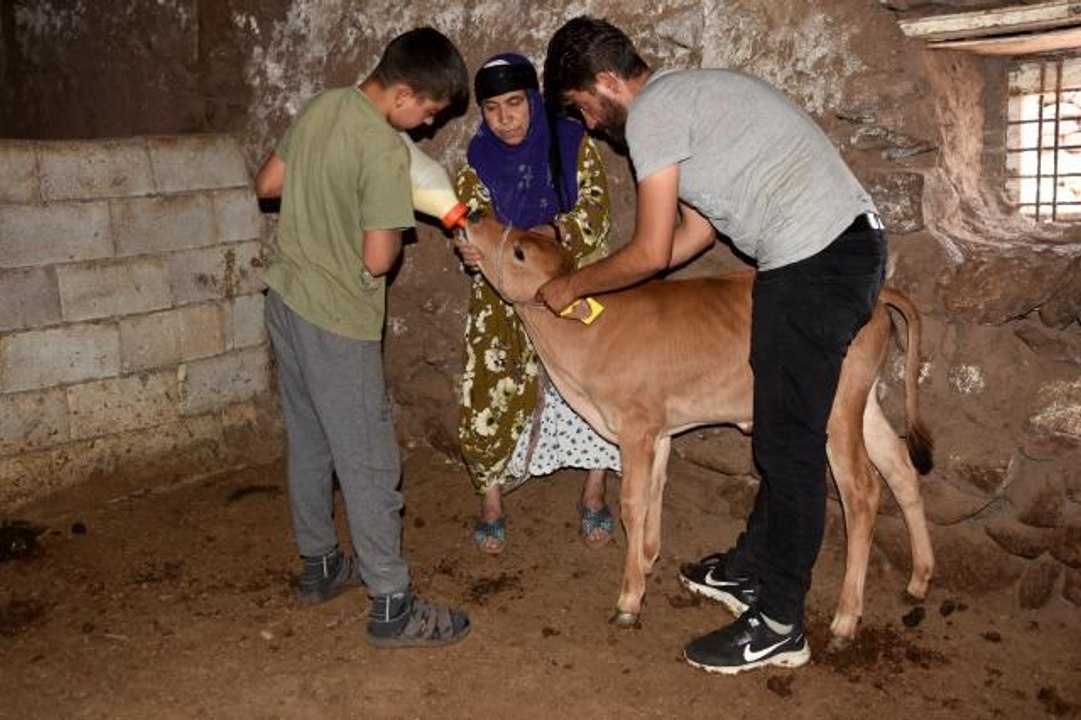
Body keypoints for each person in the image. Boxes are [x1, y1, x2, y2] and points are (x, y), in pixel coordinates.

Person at [541, 17, 887, 674]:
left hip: (815, 259)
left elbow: (646, 251)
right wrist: (621, 302)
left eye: (582, 106)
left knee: (788, 449)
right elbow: (690, 236)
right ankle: (748, 569)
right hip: (832, 251)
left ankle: (780, 622)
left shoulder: (652, 117)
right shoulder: (688, 104)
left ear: (608, 82)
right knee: (782, 433)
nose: (586, 124)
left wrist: (572, 285)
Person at [253, 27, 471, 649]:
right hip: (336, 319)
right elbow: (378, 260)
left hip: (286, 302)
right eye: (427, 112)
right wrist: (359, 216)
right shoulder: (381, 148)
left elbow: (267, 184)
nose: (426, 128)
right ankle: (392, 605)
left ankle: (321, 565)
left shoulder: (322, 105)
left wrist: (323, 199)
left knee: (310, 439)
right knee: (369, 457)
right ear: (402, 93)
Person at [452, 53, 621, 555]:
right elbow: (470, 221)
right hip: (505, 288)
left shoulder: (570, 144)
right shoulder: (478, 162)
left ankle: (594, 491)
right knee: (490, 383)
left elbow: (596, 210)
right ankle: (492, 502)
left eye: (515, 104)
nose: (505, 119)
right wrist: (468, 245)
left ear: (534, 101)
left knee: (598, 380)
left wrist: (554, 232)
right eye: (492, 108)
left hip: (573, 278)